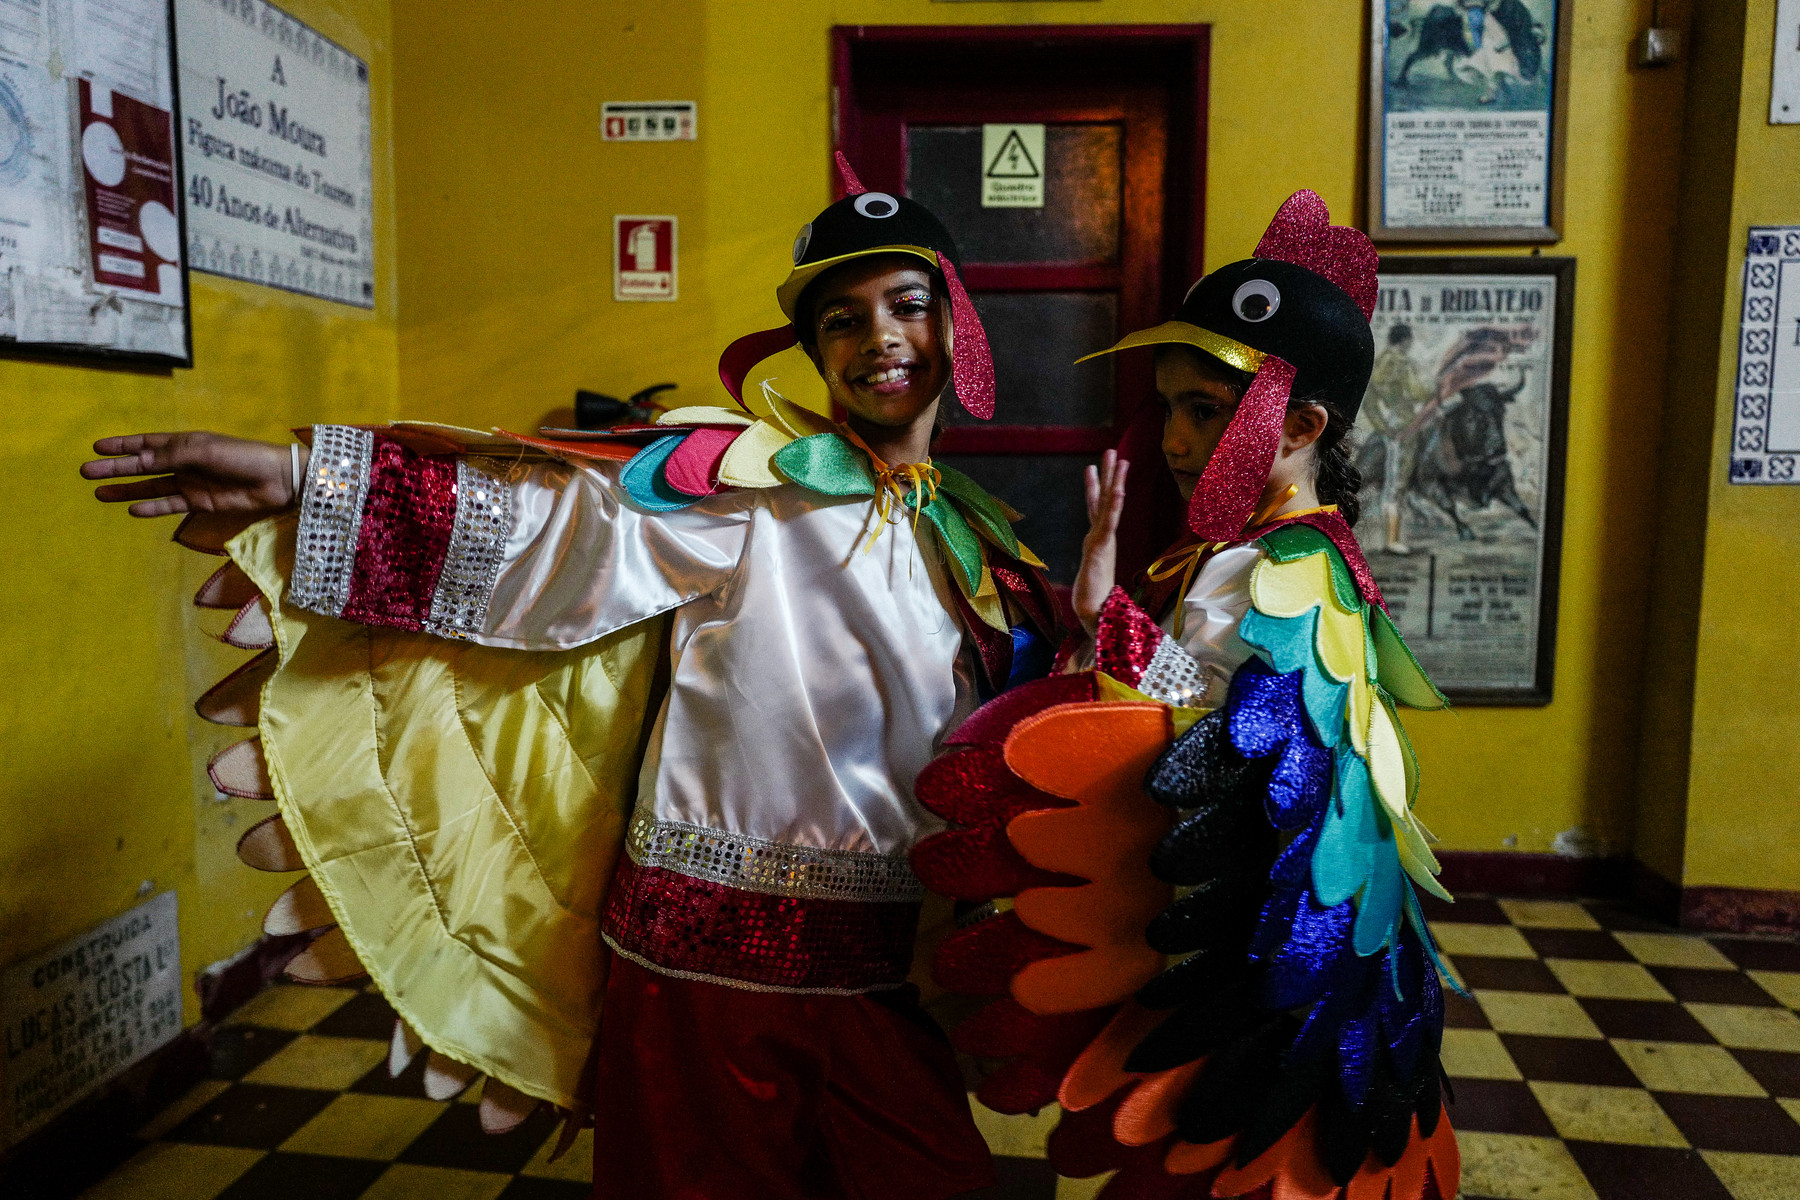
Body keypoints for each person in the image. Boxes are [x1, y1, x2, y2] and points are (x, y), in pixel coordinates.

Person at [82, 155, 1057, 1200]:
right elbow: (552, 536)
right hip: (702, 977)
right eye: (842, 319)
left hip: (876, 972)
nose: (880, 339)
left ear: (958, 322)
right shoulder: (748, 490)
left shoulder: (973, 537)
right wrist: (305, 479)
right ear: (814, 350)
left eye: (907, 305)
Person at [908, 191, 1462, 1200]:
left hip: (1241, 942)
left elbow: (1198, 739)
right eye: (1168, 405)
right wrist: (1110, 610)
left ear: (1300, 424)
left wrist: (1103, 621)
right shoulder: (1315, 554)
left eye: (1205, 410)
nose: (1172, 435)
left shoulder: (1255, 568)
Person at [1363, 322, 1431, 555]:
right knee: (1397, 484)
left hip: (1391, 424)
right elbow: (1415, 392)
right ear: (1406, 340)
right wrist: (1433, 390)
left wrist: (1382, 427)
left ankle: (1392, 537)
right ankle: (1392, 540)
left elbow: (1370, 403)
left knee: (1394, 482)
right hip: (1406, 424)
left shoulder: (1379, 361)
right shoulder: (1401, 362)